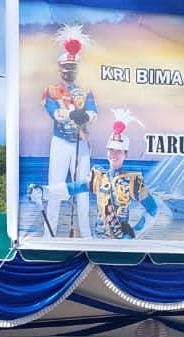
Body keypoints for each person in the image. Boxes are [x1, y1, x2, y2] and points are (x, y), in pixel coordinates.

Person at [33, 110, 158, 240]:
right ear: (107, 151)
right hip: (97, 241)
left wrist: (135, 232)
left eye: (118, 151)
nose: (114, 154)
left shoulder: (133, 181)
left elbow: (153, 209)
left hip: (121, 244)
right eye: (111, 150)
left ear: (125, 154)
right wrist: (44, 191)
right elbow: (72, 188)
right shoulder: (98, 177)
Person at [41, 25, 96, 237]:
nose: (69, 71)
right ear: (59, 69)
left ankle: (86, 234)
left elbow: (93, 111)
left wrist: (87, 116)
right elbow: (53, 111)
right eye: (66, 67)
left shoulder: (86, 90)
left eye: (72, 67)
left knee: (83, 188)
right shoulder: (51, 90)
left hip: (81, 144)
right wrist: (71, 114)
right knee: (55, 187)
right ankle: (49, 234)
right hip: (61, 142)